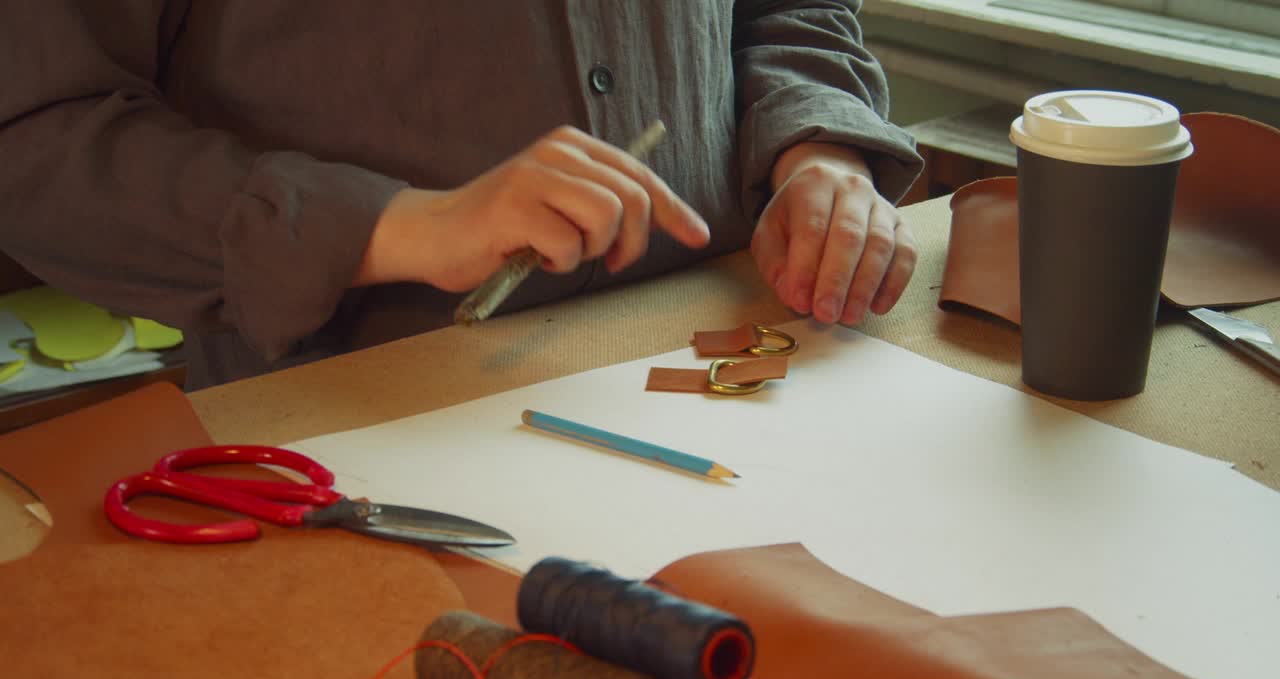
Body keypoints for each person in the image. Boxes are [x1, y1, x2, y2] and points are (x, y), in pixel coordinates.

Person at [0, 2, 923, 389]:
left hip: (739, 369)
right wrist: (392, 226)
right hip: (360, 418)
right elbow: (35, 133)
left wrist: (820, 147)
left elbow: (787, 7)